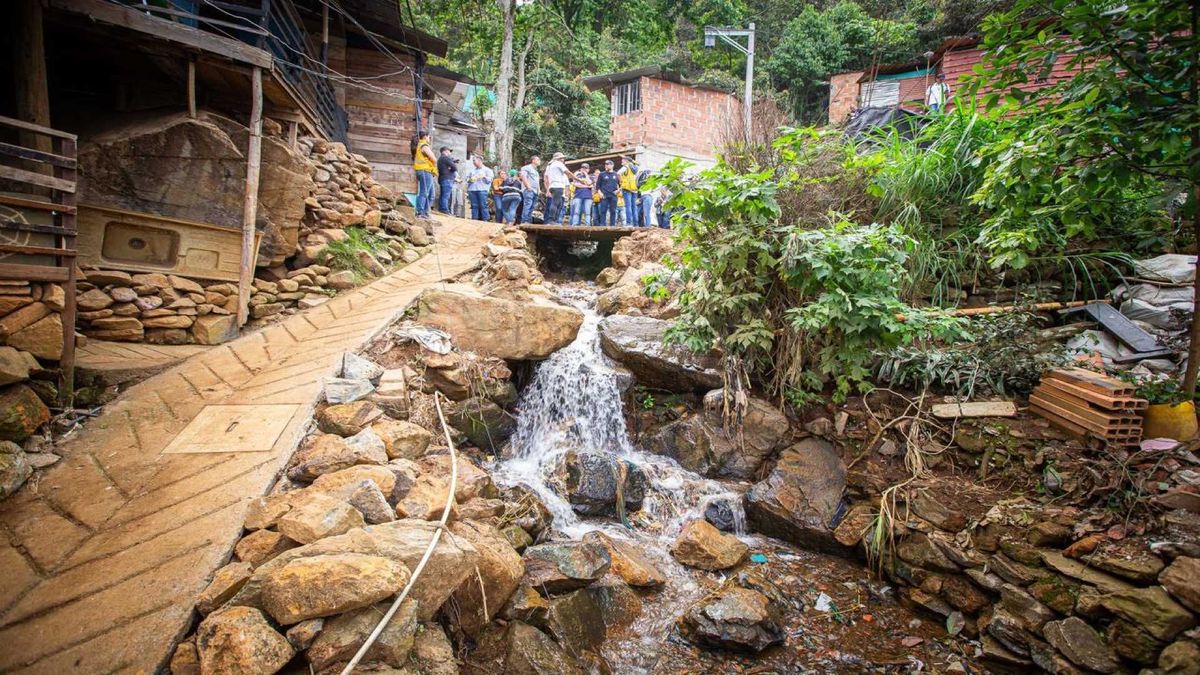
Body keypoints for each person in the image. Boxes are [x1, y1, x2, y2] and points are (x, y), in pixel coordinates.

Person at [411, 130, 437, 219]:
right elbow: (434, 159)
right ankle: (420, 212)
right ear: (425, 137)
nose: (430, 139)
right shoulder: (424, 146)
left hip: (425, 171)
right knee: (424, 193)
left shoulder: (420, 145)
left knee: (431, 194)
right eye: (429, 137)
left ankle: (426, 213)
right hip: (424, 171)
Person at [465, 155, 493, 221]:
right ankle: (474, 220)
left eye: (474, 160)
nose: (473, 162)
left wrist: (484, 177)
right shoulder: (472, 171)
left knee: (483, 205)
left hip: (482, 190)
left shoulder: (487, 170)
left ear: (480, 161)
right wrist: (470, 179)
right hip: (472, 190)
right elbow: (467, 180)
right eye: (473, 161)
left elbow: (489, 181)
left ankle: (485, 220)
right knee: (474, 206)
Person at [543, 152, 569, 224]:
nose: (563, 159)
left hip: (559, 188)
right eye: (562, 158)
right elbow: (546, 178)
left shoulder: (557, 168)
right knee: (553, 204)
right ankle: (550, 221)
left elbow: (566, 183)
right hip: (555, 186)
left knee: (559, 205)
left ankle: (555, 221)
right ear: (558, 159)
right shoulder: (554, 165)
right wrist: (547, 190)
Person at [595, 159, 620, 226]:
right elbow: (597, 186)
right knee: (603, 211)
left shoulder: (616, 174)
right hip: (604, 195)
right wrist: (600, 193)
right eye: (606, 164)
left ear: (612, 165)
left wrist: (618, 190)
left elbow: (620, 185)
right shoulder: (602, 174)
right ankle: (602, 225)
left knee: (613, 211)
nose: (607, 165)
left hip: (613, 195)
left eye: (608, 164)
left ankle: (613, 225)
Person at [617, 155, 640, 227]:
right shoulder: (635, 168)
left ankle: (629, 223)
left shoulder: (625, 167)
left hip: (626, 188)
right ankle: (636, 224)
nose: (622, 162)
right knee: (634, 207)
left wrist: (621, 181)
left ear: (627, 161)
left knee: (628, 206)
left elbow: (618, 173)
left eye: (623, 160)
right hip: (634, 188)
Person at [518, 156, 541, 224]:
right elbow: (523, 176)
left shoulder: (536, 171)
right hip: (529, 190)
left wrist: (539, 190)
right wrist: (528, 187)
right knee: (527, 205)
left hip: (535, 191)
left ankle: (529, 221)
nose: (540, 161)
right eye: (538, 159)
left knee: (532, 207)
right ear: (533, 160)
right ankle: (524, 221)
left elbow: (537, 181)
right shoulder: (526, 168)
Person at [436, 147, 456, 214]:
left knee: (443, 195)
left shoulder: (440, 159)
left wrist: (450, 166)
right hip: (447, 179)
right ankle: (444, 210)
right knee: (446, 196)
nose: (449, 153)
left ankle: (442, 209)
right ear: (444, 151)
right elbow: (455, 167)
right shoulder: (445, 158)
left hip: (443, 178)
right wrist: (451, 167)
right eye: (449, 151)